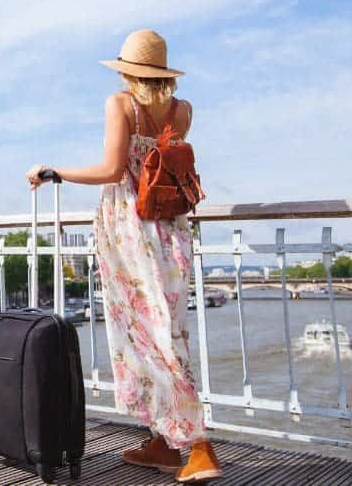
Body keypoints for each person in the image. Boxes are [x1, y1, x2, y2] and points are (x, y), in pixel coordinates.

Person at [25, 29, 222, 482]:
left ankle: (198, 445)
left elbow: (113, 170)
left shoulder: (121, 105)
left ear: (127, 70)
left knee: (145, 338)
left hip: (132, 230)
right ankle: (163, 442)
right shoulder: (183, 111)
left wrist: (54, 171)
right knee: (167, 333)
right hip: (171, 230)